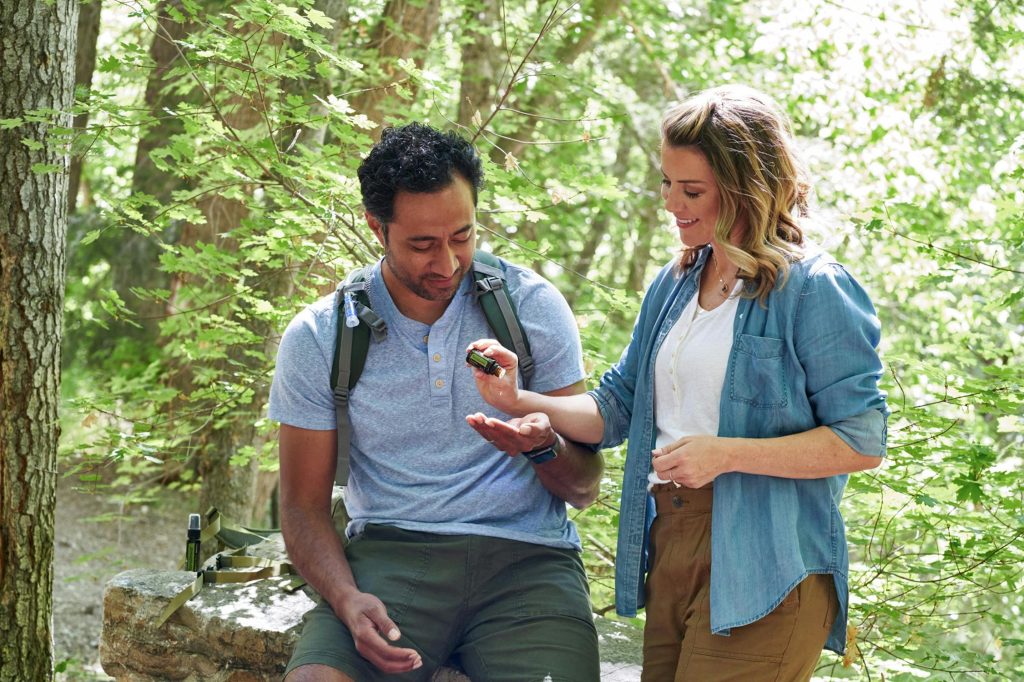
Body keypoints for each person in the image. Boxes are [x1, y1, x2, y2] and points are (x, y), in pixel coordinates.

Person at [468, 85, 889, 681]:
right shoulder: (675, 283)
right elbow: (617, 407)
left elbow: (862, 441)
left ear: (746, 187)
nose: (671, 203)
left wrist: (725, 455)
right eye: (667, 183)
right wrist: (518, 398)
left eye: (691, 190)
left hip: (768, 561)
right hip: (671, 547)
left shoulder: (813, 288)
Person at [267, 122, 603, 682]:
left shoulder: (533, 309)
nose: (447, 263)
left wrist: (543, 446)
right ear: (377, 227)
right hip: (390, 556)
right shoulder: (322, 336)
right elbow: (302, 507)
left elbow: (585, 487)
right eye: (422, 245)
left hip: (529, 563)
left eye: (463, 236)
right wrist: (347, 598)